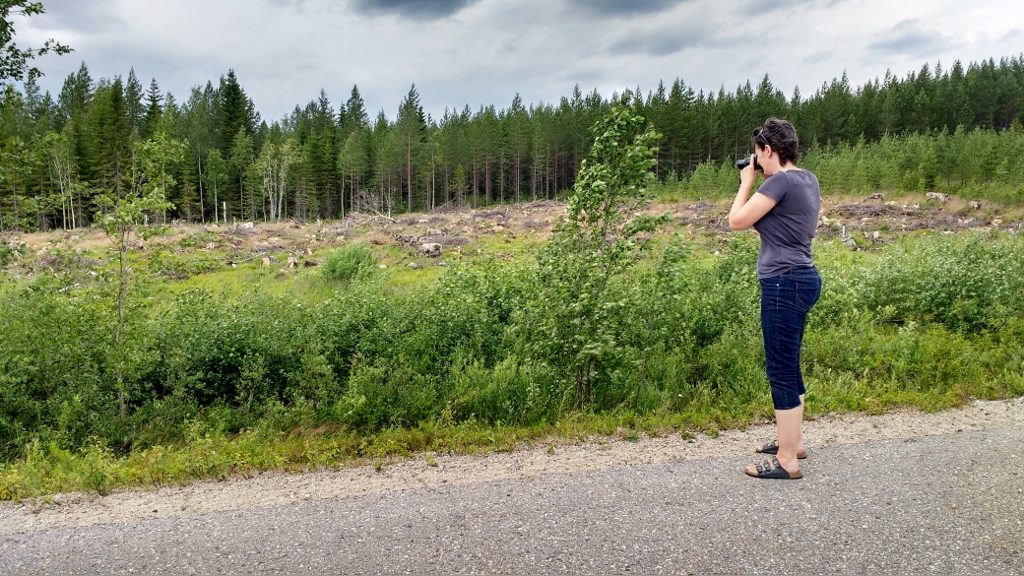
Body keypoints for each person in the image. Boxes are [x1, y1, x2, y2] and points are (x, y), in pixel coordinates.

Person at [728, 117, 822, 480]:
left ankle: (786, 460)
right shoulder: (807, 179)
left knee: (780, 370)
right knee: (791, 364)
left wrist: (746, 182)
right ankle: (792, 442)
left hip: (783, 283)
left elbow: (736, 220)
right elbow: (779, 226)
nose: (756, 161)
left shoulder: (779, 181)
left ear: (769, 150)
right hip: (803, 278)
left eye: (758, 154)